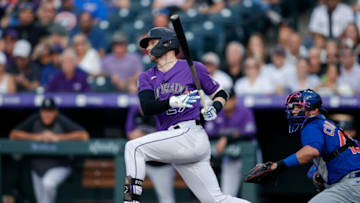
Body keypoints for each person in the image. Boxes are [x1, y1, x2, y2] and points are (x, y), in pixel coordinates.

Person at [123, 27, 250, 203]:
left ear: (167, 43)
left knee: (133, 147)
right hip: (175, 138)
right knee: (216, 200)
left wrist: (215, 108)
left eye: (152, 43)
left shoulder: (193, 68)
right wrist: (173, 101)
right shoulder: (146, 77)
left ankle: (130, 200)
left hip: (190, 134)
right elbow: (147, 107)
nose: (148, 48)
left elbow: (221, 93)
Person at [254, 89, 360, 203]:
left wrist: (277, 166)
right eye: (294, 107)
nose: (294, 111)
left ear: (314, 109)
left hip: (351, 184)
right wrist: (318, 174)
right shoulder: (329, 125)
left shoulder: (312, 123)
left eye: (299, 107)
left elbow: (311, 151)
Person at [9, 98, 89, 203]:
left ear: (55, 112)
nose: (47, 115)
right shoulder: (35, 119)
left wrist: (57, 137)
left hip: (59, 167)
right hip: (36, 170)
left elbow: (84, 135)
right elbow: (13, 134)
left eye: (50, 112)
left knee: (48, 183)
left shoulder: (60, 120)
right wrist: (37, 137)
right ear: (41, 111)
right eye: (45, 111)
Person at [205, 90, 257, 197]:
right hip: (228, 158)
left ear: (235, 100)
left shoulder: (245, 112)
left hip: (247, 154)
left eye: (228, 100)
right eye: (224, 101)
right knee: (228, 192)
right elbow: (209, 133)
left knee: (249, 187)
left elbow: (249, 133)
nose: (226, 103)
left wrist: (226, 139)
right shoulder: (216, 112)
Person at [125, 106, 175, 203]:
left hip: (160, 164)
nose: (142, 103)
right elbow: (129, 132)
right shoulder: (134, 110)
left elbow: (162, 137)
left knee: (166, 198)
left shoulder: (160, 110)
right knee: (129, 196)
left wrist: (142, 136)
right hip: (138, 162)